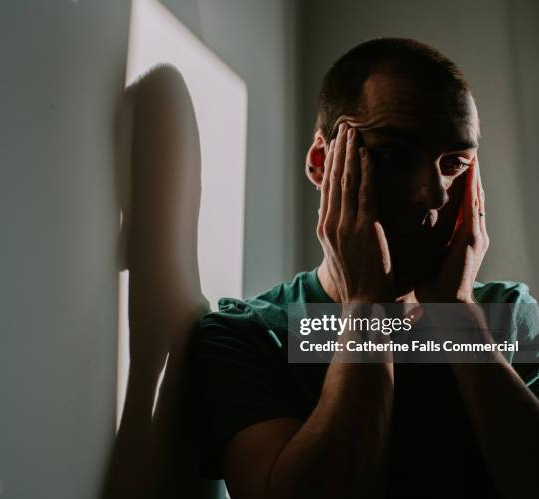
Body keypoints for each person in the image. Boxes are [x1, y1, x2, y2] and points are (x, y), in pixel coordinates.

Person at [187, 38, 539, 499]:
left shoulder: (506, 314)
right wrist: (368, 308)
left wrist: (456, 313)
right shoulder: (250, 335)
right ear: (321, 162)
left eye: (454, 164)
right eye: (394, 156)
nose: (433, 195)